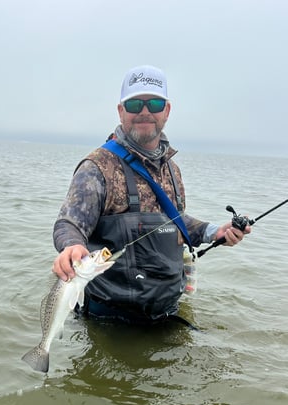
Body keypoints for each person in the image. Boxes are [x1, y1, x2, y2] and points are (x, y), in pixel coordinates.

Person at [52, 65, 250, 324]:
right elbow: (69, 223)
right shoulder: (97, 167)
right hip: (111, 321)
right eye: (135, 105)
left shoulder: (172, 169)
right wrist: (72, 246)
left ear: (166, 111)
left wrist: (216, 232)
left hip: (167, 312)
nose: (144, 112)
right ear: (121, 111)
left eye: (154, 103)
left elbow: (176, 221)